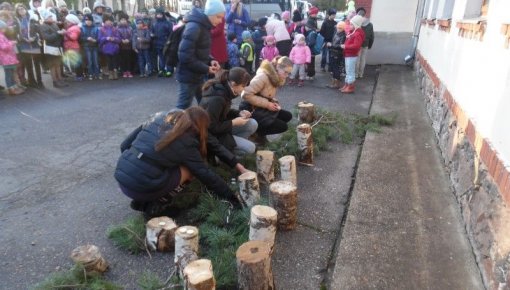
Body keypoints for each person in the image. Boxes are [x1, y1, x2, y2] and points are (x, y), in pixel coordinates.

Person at [114, 107, 248, 217]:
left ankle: (141, 202)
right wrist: (232, 198)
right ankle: (156, 207)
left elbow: (124, 145)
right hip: (140, 188)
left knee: (154, 165)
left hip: (122, 181)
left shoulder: (158, 118)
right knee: (189, 170)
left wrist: (135, 167)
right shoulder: (186, 142)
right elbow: (206, 175)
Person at [175, 0, 224, 109]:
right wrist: (206, 68)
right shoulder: (195, 27)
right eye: (218, 17)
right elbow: (185, 56)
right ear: (210, 14)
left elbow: (200, 50)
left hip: (197, 74)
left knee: (204, 104)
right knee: (182, 107)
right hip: (188, 76)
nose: (220, 21)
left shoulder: (203, 26)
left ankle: (206, 125)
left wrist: (211, 60)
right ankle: (173, 126)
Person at [200, 67, 257, 156]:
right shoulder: (217, 98)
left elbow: (221, 112)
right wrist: (233, 123)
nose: (243, 89)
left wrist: (238, 113)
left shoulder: (224, 89)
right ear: (234, 84)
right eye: (243, 86)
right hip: (211, 136)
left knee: (252, 123)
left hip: (221, 128)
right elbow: (211, 127)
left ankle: (231, 150)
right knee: (250, 148)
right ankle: (226, 155)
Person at [239, 56, 293, 142]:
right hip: (251, 109)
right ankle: (255, 133)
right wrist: (267, 104)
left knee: (287, 116)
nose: (286, 76)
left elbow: (264, 94)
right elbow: (245, 94)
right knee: (282, 126)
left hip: (261, 106)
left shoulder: (275, 77)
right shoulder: (263, 76)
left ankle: (261, 134)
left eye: (289, 73)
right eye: (285, 72)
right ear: (278, 67)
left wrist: (273, 101)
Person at [15, 3, 43, 88]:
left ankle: (40, 81)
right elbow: (17, 34)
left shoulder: (32, 18)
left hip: (34, 44)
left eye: (22, 8)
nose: (21, 10)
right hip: (24, 46)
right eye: (19, 9)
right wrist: (24, 39)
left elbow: (38, 31)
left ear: (25, 9)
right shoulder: (17, 21)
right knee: (29, 66)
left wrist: (34, 38)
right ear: (17, 12)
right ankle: (32, 82)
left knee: (37, 64)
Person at [39, 10, 67, 87]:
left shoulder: (54, 24)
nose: (51, 18)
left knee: (58, 64)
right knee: (53, 66)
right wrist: (58, 33)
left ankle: (60, 79)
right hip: (50, 48)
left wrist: (62, 33)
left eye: (51, 16)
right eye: (49, 17)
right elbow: (47, 38)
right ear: (45, 18)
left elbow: (58, 34)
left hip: (57, 47)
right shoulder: (43, 26)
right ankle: (55, 81)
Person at [340, 15, 364, 94]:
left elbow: (356, 46)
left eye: (351, 24)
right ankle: (347, 84)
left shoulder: (357, 34)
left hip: (351, 55)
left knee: (350, 71)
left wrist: (346, 46)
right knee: (348, 70)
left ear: (356, 25)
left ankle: (350, 87)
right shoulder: (353, 32)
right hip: (348, 54)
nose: (349, 25)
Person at [0, 19, 24, 95]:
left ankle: (14, 87)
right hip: (6, 58)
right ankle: (11, 89)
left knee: (11, 73)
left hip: (9, 58)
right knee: (9, 75)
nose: (5, 29)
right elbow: (3, 47)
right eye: (3, 28)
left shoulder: (2, 35)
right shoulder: (0, 36)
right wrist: (12, 43)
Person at [151, 8, 173, 77]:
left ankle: (169, 70)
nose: (159, 16)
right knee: (161, 57)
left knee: (168, 57)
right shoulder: (154, 23)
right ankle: (161, 70)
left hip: (166, 43)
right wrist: (152, 35)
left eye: (160, 14)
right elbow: (151, 31)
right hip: (157, 42)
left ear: (163, 15)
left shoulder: (168, 23)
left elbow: (171, 33)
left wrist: (169, 41)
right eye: (157, 14)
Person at [98, 14, 120, 80]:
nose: (108, 22)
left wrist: (114, 39)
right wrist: (106, 38)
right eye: (107, 20)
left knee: (115, 61)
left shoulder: (115, 29)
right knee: (109, 61)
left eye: (110, 20)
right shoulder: (101, 30)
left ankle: (115, 72)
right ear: (104, 21)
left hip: (114, 48)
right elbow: (99, 39)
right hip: (106, 48)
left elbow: (119, 39)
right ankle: (110, 73)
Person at [355, 7, 374, 79]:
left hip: (358, 44)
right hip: (366, 44)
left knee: (357, 59)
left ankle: (356, 74)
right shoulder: (370, 24)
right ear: (364, 14)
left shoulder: (357, 23)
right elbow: (372, 36)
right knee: (363, 59)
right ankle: (361, 74)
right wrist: (370, 45)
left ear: (358, 14)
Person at [326, 21, 346, 89]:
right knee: (333, 68)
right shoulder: (337, 32)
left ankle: (336, 84)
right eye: (337, 28)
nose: (338, 29)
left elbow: (341, 46)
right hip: (333, 52)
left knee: (336, 68)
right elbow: (335, 42)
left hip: (337, 54)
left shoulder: (343, 35)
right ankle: (334, 82)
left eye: (340, 28)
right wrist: (330, 44)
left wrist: (331, 45)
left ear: (343, 28)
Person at [80, 13, 100, 80]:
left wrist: (95, 40)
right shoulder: (82, 28)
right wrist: (87, 38)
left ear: (92, 21)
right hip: (87, 46)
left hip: (94, 46)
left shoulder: (96, 28)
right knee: (89, 61)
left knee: (96, 61)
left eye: (89, 20)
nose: (88, 21)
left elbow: (98, 37)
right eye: (86, 20)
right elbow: (80, 38)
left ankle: (97, 74)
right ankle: (90, 74)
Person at [319, 8, 337, 72]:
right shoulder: (325, 22)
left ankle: (330, 68)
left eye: (335, 15)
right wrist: (324, 40)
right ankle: (322, 66)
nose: (334, 16)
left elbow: (336, 33)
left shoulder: (335, 23)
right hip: (326, 41)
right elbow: (321, 32)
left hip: (332, 41)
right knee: (324, 54)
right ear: (330, 15)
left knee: (331, 55)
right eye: (333, 15)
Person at [117, 13, 133, 78]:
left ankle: (129, 71)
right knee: (122, 59)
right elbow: (117, 36)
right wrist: (121, 40)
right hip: (121, 47)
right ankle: (124, 71)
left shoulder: (130, 28)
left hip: (129, 46)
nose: (123, 21)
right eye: (122, 20)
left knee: (129, 59)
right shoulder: (118, 28)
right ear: (119, 21)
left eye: (124, 20)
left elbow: (132, 36)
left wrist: (129, 40)